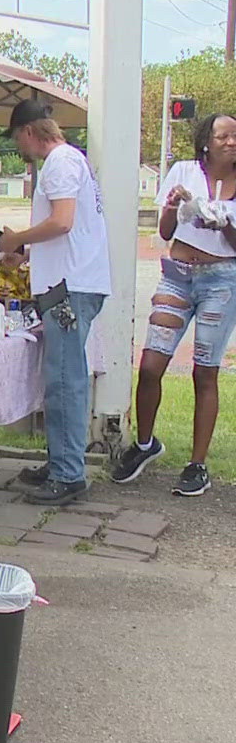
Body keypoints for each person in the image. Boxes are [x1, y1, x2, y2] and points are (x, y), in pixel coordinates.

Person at [111, 112, 236, 497]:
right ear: (206, 141)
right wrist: (173, 205)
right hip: (177, 274)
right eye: (223, 136)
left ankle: (197, 465)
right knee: (150, 365)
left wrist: (222, 224)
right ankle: (146, 445)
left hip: (221, 281)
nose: (231, 142)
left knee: (205, 372)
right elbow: (164, 231)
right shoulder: (183, 170)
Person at [0, 100, 110, 506]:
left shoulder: (59, 162)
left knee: (64, 381)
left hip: (69, 288)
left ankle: (68, 473)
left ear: (29, 132)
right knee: (62, 377)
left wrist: (18, 239)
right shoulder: (73, 160)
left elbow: (62, 221)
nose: (21, 148)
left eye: (18, 139)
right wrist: (30, 254)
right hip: (74, 280)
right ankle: (62, 459)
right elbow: (70, 233)